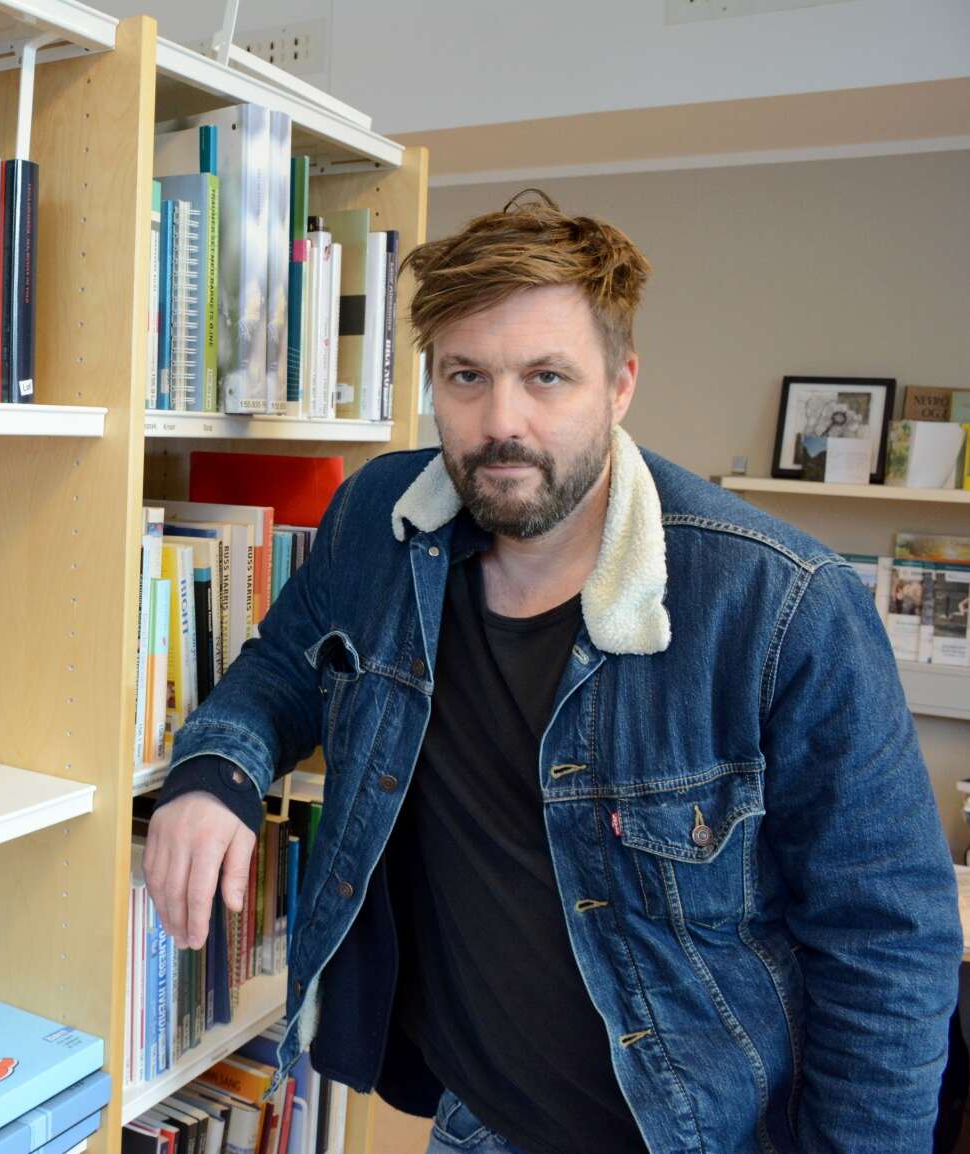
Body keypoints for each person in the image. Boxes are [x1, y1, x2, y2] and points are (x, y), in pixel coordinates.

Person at [144, 190, 960, 1154]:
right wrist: (217, 772)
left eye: (546, 377)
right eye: (466, 376)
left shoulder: (782, 605)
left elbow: (886, 944)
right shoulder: (378, 521)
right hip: (477, 1121)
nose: (502, 423)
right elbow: (285, 662)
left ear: (619, 385)